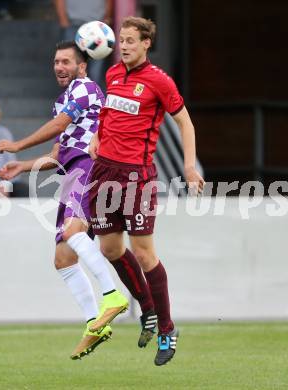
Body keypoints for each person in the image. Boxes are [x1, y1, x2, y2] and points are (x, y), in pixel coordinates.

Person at [0, 41, 156, 360]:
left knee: (72, 231)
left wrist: (18, 145)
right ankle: (94, 324)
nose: (59, 66)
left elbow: (59, 127)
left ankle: (112, 296)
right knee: (63, 259)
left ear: (82, 66)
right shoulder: (64, 99)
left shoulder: (84, 88)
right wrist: (23, 167)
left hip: (88, 166)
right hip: (71, 169)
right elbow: (57, 152)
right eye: (56, 61)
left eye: (66, 61)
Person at [88, 16, 205, 366]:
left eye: (130, 40)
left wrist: (188, 166)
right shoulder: (112, 75)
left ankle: (167, 329)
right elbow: (108, 114)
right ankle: (148, 310)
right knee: (110, 248)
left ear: (146, 43)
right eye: (121, 40)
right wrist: (97, 135)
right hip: (103, 171)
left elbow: (185, 122)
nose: (123, 45)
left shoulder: (158, 81)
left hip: (135, 177)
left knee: (144, 254)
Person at [53, 0, 113, 91]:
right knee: (70, 68)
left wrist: (107, 18)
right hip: (73, 26)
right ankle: (71, 100)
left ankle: (93, 101)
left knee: (95, 71)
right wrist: (63, 21)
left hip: (96, 29)